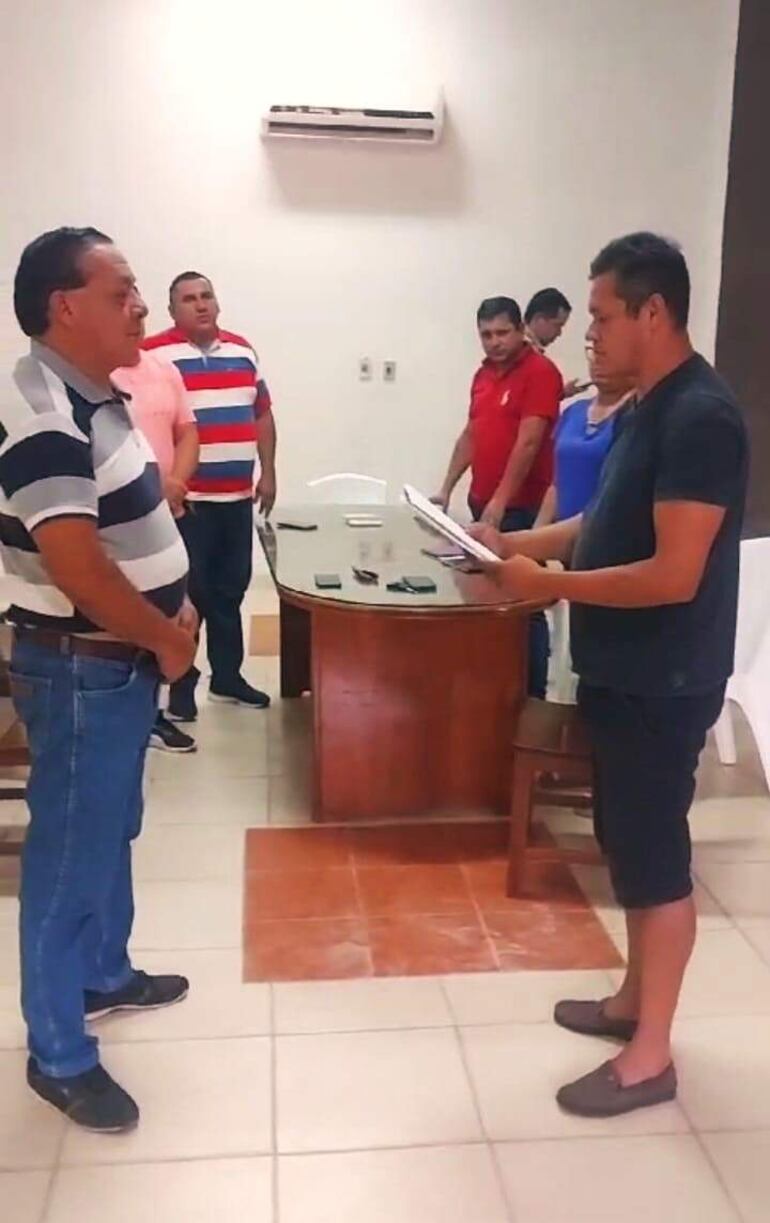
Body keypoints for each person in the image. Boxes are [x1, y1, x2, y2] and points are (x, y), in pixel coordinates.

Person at [473, 233, 748, 1119]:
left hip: (664, 677)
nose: (586, 333)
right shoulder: (643, 408)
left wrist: (548, 585)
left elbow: (674, 572)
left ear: (652, 312)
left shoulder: (700, 417)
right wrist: (514, 546)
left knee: (655, 855)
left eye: (600, 316)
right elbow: (600, 524)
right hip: (623, 668)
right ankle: (633, 1001)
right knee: (627, 843)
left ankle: (650, 1055)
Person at [2, 227, 198, 1132]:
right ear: (64, 307)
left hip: (117, 663)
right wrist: (166, 638)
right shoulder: (41, 409)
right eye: (122, 292)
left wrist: (168, 618)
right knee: (70, 852)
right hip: (83, 665)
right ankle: (59, 1051)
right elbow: (77, 567)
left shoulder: (94, 395)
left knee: (110, 827)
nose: (142, 306)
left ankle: (103, 972)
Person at [145, 273, 276, 720]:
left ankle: (227, 677)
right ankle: (182, 687)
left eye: (206, 296)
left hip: (236, 499)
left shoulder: (242, 351)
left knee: (230, 591)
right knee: (188, 597)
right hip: (187, 503)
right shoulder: (153, 355)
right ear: (172, 311)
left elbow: (262, 415)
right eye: (188, 299)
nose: (200, 305)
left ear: (217, 303)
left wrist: (268, 472)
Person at [433, 296, 562, 697]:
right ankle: (492, 688)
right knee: (483, 599)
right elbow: (472, 434)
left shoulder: (540, 373)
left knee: (524, 604)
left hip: (523, 510)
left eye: (503, 332)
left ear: (521, 329)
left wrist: (500, 501)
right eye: (486, 335)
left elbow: (529, 442)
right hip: (482, 505)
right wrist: (446, 488)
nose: (495, 342)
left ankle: (532, 695)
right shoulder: (483, 375)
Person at [113, 349, 200, 752]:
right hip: (126, 515)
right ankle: (143, 715)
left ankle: (155, 709)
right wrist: (152, 488)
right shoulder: (99, 373)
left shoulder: (164, 370)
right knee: (135, 610)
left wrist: (176, 483)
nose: (137, 319)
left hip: (170, 510)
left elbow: (188, 432)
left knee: (174, 607)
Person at [534, 352, 634, 527]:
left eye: (606, 355)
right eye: (594, 354)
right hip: (560, 533)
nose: (598, 362)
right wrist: (536, 531)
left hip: (606, 530)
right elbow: (557, 483)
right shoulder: (574, 411)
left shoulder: (635, 415)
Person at [525, 287, 584, 400]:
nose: (559, 333)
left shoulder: (528, 352)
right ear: (539, 319)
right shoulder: (520, 353)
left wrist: (561, 394)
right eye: (557, 325)